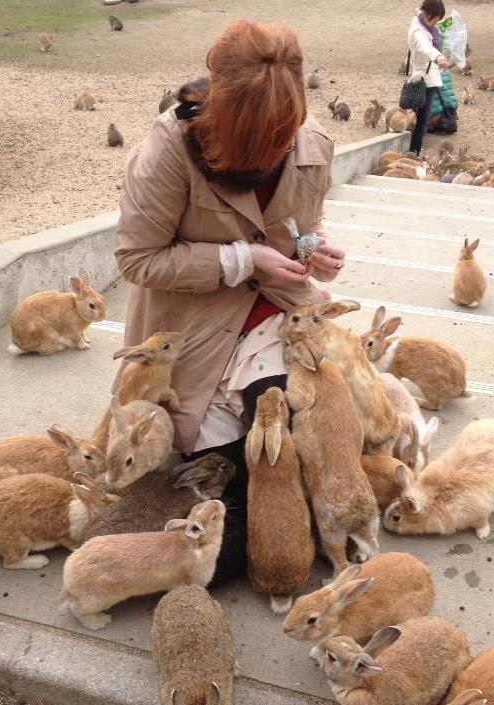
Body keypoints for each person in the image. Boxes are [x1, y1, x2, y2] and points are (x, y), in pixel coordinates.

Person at [114, 20, 345, 581]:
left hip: (274, 306)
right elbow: (137, 259)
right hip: (194, 319)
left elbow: (299, 227)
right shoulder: (170, 147)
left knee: (291, 424)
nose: (275, 151)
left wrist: (317, 249)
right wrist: (243, 259)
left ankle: (264, 524)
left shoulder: (311, 146)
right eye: (258, 142)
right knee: (229, 477)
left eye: (280, 140)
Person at [407, 0, 448, 154]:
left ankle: (414, 150)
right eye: (435, 19)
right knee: (423, 121)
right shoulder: (418, 32)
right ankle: (414, 152)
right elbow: (424, 46)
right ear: (426, 14)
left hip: (429, 75)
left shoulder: (423, 23)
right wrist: (438, 56)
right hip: (424, 79)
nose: (436, 23)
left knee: (422, 118)